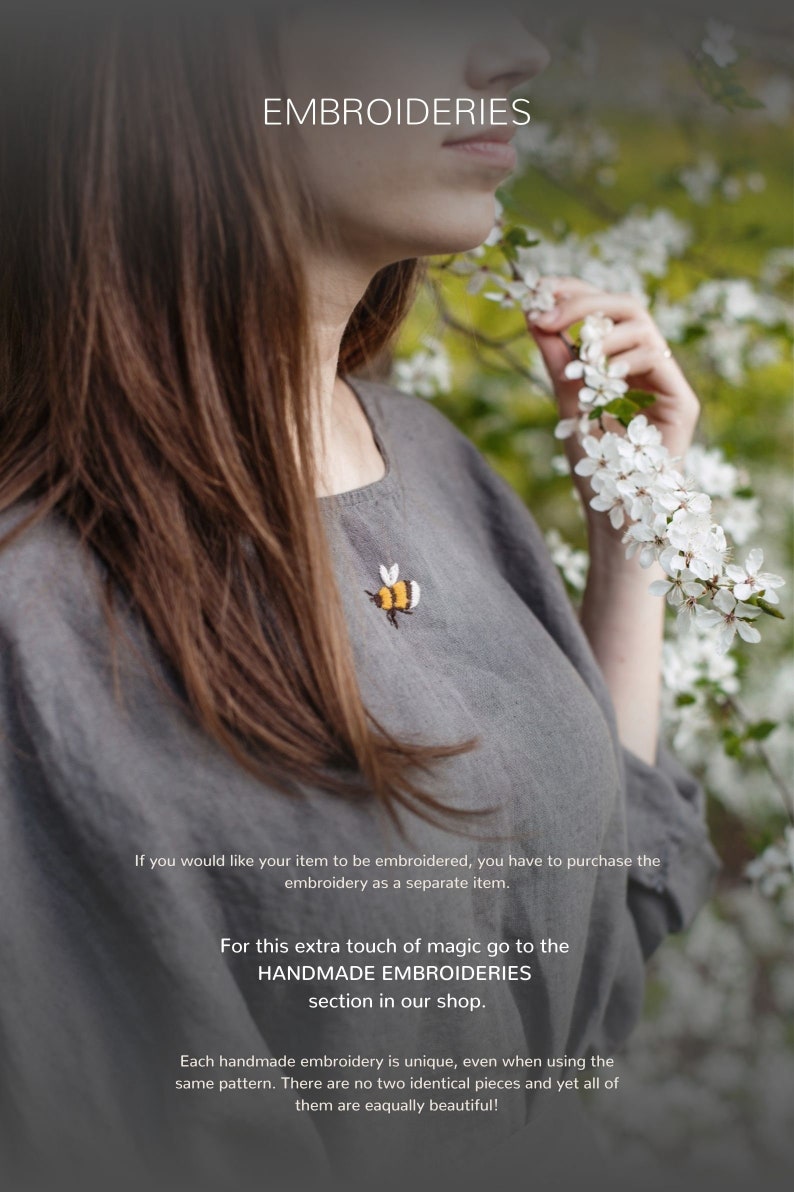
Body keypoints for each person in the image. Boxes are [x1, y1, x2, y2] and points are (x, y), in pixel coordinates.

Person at [0, 3, 720, 1190]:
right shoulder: (46, 624)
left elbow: (578, 932)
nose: (520, 52)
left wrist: (629, 526)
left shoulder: (431, 460)